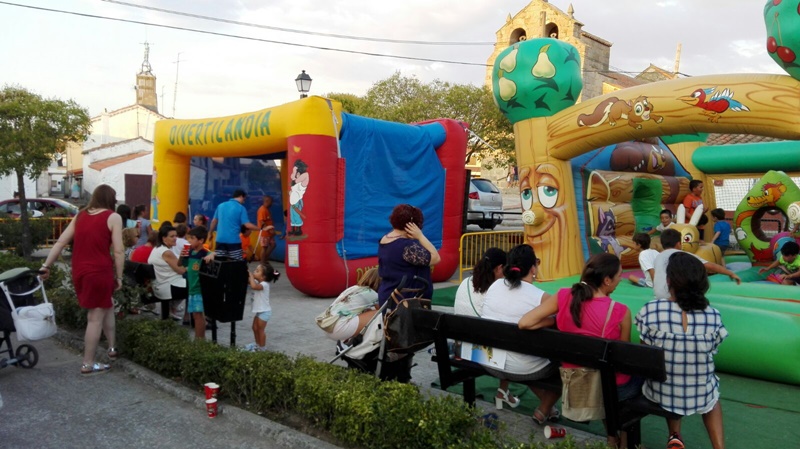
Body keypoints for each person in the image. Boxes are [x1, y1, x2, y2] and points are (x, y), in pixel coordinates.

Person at [519, 253, 637, 447]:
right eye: (619, 276)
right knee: (634, 378)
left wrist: (555, 321)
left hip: (574, 376)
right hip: (609, 384)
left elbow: (525, 322)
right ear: (607, 280)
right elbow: (622, 359)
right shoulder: (620, 311)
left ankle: (612, 437)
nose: (620, 280)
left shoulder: (564, 296)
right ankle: (620, 441)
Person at [636, 252, 728, 449]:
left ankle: (674, 435)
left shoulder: (650, 310)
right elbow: (712, 350)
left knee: (669, 374)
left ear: (669, 280)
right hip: (700, 391)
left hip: (660, 391)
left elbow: (645, 353)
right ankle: (719, 447)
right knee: (712, 395)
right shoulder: (713, 315)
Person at [40, 184, 124, 375]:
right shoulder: (113, 217)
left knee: (107, 304)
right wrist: (119, 276)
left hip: (80, 271)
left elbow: (61, 242)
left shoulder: (80, 215)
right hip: (100, 271)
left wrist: (46, 265)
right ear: (111, 199)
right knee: (95, 317)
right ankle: (88, 363)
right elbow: (118, 251)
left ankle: (112, 348)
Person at [481, 244, 561, 425]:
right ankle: (544, 408)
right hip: (524, 367)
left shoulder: (495, 285)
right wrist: (550, 321)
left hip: (488, 361)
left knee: (526, 357)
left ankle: (547, 408)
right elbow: (563, 319)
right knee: (562, 365)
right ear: (533, 268)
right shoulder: (541, 297)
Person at [453, 248, 521, 410]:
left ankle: (503, 393)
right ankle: (503, 392)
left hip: (460, 349)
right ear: (499, 268)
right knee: (513, 347)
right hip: (481, 355)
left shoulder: (465, 282)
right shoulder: (497, 291)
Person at [377, 204, 441, 311]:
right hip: (407, 302)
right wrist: (420, 236)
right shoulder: (407, 246)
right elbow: (435, 258)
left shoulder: (385, 239)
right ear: (412, 226)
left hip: (389, 295)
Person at [653, 229, 740, 300]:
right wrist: (730, 273)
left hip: (658, 295)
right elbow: (710, 266)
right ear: (679, 244)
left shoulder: (658, 257)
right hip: (674, 296)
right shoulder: (683, 255)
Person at [316, 267, 381, 342]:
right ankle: (372, 341)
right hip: (339, 329)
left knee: (368, 311)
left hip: (328, 326)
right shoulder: (372, 294)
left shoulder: (354, 288)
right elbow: (382, 308)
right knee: (379, 314)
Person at [148, 224, 188, 321]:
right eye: (172, 236)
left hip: (160, 284)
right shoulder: (167, 252)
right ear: (164, 238)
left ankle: (178, 311)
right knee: (197, 287)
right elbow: (181, 270)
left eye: (176, 236)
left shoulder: (157, 248)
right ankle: (189, 318)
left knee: (191, 283)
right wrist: (190, 266)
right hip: (168, 287)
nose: (175, 238)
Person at [208, 189, 258, 260]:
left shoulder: (220, 206)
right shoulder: (241, 208)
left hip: (220, 240)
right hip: (233, 241)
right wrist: (260, 228)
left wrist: (210, 232)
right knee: (235, 262)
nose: (244, 201)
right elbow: (247, 225)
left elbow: (214, 221)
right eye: (244, 199)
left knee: (220, 262)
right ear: (241, 196)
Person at [184, 226, 213, 339]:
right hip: (192, 288)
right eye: (189, 238)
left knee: (199, 315)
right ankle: (198, 339)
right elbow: (180, 264)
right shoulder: (190, 252)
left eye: (192, 238)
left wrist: (212, 254)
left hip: (199, 289)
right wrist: (182, 255)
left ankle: (200, 340)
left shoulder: (204, 253)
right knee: (195, 316)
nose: (189, 240)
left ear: (201, 240)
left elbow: (214, 254)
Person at [244, 262, 280, 352]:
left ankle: (262, 348)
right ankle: (257, 345)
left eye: (257, 271)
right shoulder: (258, 281)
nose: (254, 271)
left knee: (260, 330)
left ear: (263, 277)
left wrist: (251, 276)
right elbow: (249, 282)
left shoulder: (264, 284)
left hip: (264, 312)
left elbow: (253, 286)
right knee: (254, 328)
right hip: (259, 311)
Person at [257, 195, 276, 263]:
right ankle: (262, 262)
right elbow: (262, 221)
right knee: (264, 247)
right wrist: (269, 230)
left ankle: (265, 258)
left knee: (273, 245)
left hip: (269, 233)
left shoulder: (266, 210)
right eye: (271, 202)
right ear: (267, 201)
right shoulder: (262, 210)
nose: (272, 203)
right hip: (264, 233)